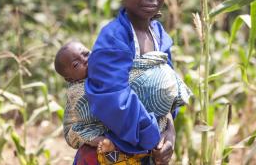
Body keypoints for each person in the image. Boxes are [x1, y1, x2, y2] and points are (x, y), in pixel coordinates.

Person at [84, 0, 180, 165]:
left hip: (149, 149)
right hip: (114, 149)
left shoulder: (160, 35)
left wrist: (169, 132)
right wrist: (152, 136)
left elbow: (168, 86)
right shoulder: (114, 38)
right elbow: (111, 96)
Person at [55, 40, 192, 163]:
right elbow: (74, 129)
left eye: (86, 54)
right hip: (110, 149)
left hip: (149, 143)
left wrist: (170, 132)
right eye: (76, 64)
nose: (85, 60)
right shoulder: (77, 92)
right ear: (70, 79)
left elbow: (159, 92)